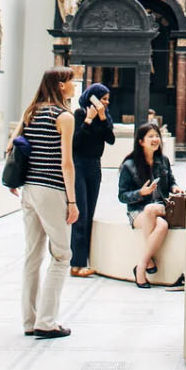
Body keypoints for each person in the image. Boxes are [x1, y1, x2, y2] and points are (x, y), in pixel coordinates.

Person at [9, 68, 78, 339]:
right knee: (62, 256)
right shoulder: (64, 117)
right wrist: (72, 201)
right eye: (71, 81)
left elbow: (12, 146)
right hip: (52, 189)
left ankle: (29, 320)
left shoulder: (31, 111)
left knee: (33, 256)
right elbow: (67, 164)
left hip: (29, 190)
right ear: (61, 86)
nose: (74, 86)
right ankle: (47, 322)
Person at [118, 121, 182, 288]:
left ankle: (141, 266)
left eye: (157, 136)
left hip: (160, 207)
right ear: (141, 141)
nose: (155, 139)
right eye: (151, 136)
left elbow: (172, 182)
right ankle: (146, 263)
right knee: (160, 226)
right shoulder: (129, 165)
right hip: (137, 212)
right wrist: (141, 193)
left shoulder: (163, 161)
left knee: (152, 209)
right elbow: (122, 196)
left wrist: (175, 188)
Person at [69, 83, 114, 277]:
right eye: (103, 98)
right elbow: (76, 143)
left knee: (90, 213)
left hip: (95, 166)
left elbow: (110, 139)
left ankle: (83, 260)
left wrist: (102, 118)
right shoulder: (79, 114)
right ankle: (76, 264)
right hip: (79, 165)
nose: (106, 102)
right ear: (92, 98)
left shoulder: (105, 117)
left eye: (107, 99)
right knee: (81, 214)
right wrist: (88, 120)